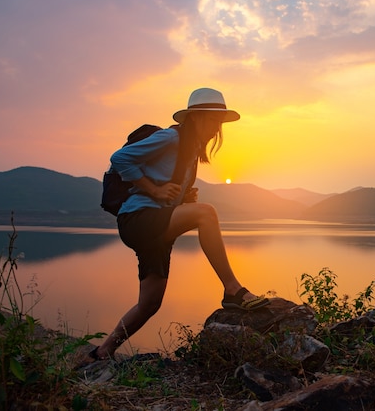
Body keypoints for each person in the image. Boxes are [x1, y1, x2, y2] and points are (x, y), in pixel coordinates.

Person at [90, 88, 270, 361]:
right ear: (195, 117)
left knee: (149, 303)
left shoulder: (191, 149)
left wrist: (183, 197)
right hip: (137, 220)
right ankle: (233, 289)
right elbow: (119, 158)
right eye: (211, 120)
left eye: (219, 122)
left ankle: (103, 351)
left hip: (155, 226)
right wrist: (155, 190)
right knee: (206, 214)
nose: (216, 127)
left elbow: (168, 188)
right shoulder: (172, 137)